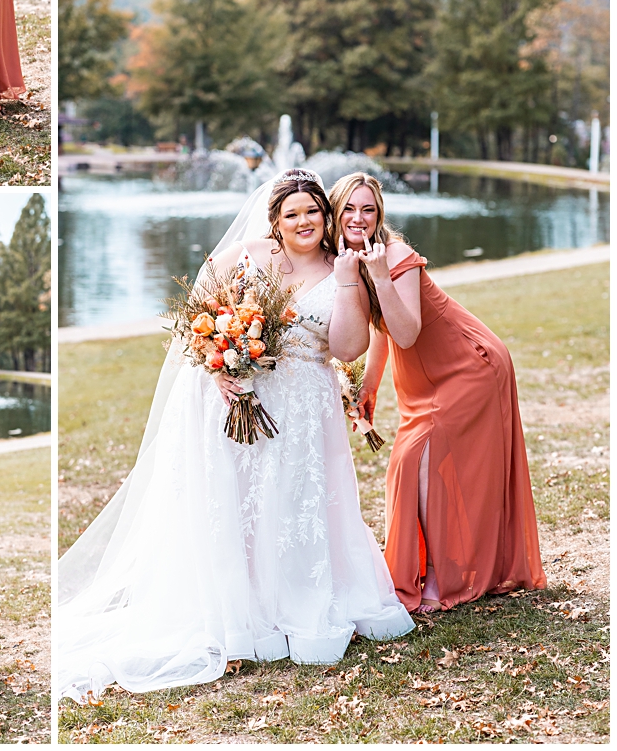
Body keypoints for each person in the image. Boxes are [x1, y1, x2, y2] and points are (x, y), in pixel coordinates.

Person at [56, 169, 412, 699]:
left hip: (306, 405)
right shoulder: (247, 255)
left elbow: (347, 347)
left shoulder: (345, 267)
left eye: (312, 211)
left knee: (295, 503)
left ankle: (296, 601)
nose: (304, 222)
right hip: (240, 398)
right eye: (292, 214)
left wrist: (344, 282)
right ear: (275, 220)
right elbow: (197, 318)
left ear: (325, 214)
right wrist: (217, 364)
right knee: (242, 503)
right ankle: (242, 612)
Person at [330, 171, 545, 612]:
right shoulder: (349, 261)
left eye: (368, 209)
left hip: (470, 364)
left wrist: (381, 276)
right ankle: (436, 568)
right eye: (349, 208)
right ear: (336, 213)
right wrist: (368, 385)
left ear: (379, 214)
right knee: (416, 466)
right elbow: (381, 330)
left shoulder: (395, 255)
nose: (358, 217)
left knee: (418, 462)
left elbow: (406, 332)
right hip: (426, 379)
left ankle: (440, 580)